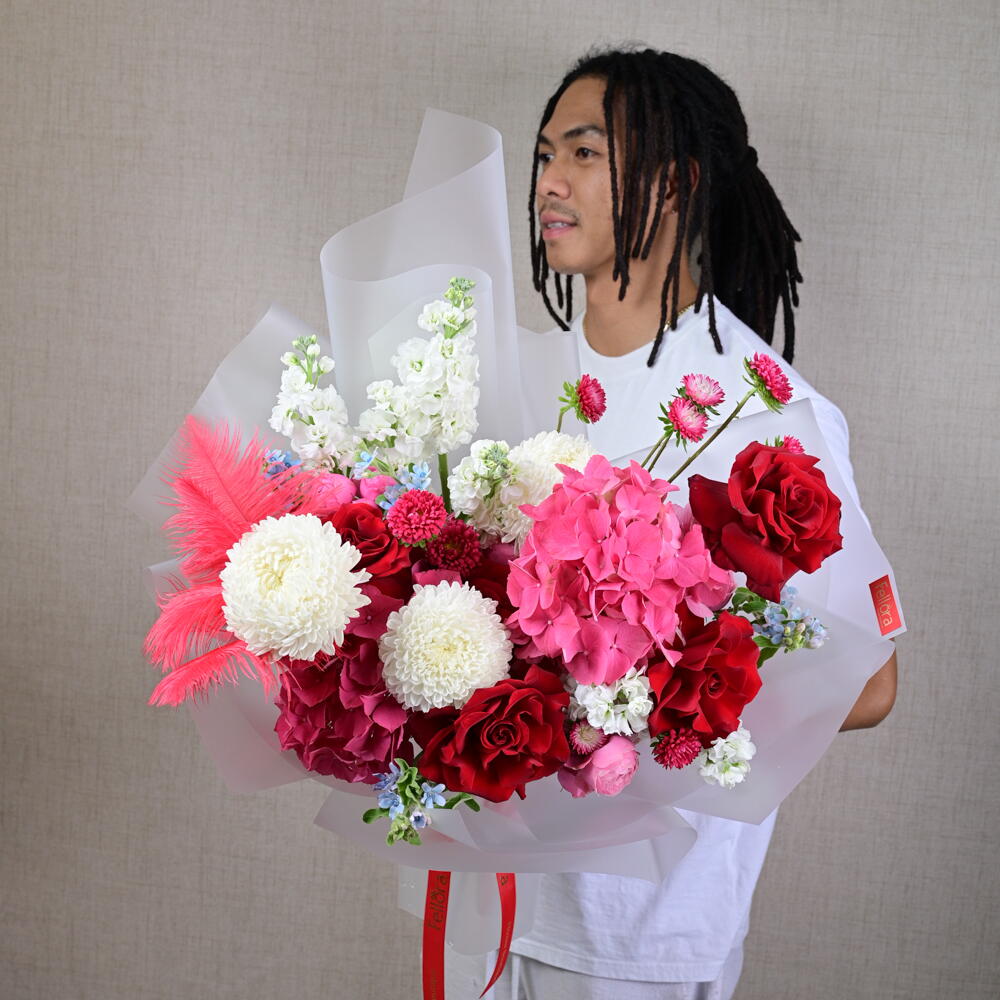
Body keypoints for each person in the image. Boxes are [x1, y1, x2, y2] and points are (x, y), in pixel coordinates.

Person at [446, 47, 897, 999]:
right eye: (543, 155)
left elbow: (869, 685)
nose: (549, 181)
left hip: (637, 937)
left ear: (677, 182)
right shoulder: (509, 380)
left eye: (584, 153)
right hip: (487, 901)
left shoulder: (763, 414)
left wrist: (641, 688)